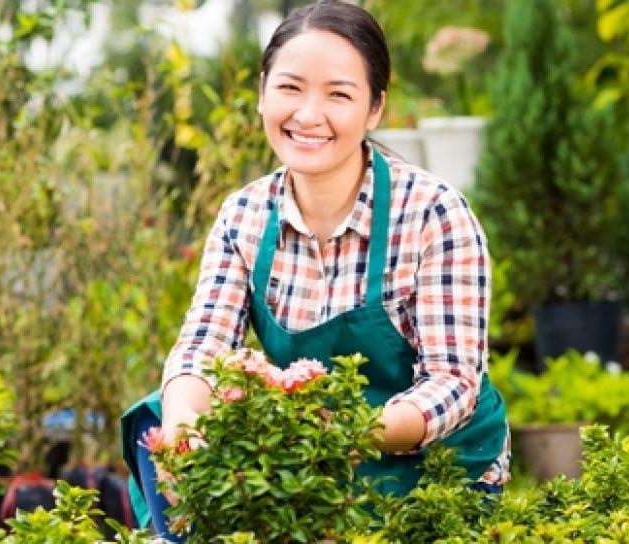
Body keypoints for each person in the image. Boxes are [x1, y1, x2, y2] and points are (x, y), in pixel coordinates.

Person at [120, 1, 510, 538]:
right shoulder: (245, 215)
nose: (308, 114)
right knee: (156, 416)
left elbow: (453, 383)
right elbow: (202, 347)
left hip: (432, 466)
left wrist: (343, 433)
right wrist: (185, 427)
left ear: (374, 109)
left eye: (339, 94)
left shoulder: (432, 213)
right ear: (262, 93)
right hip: (313, 463)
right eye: (290, 87)